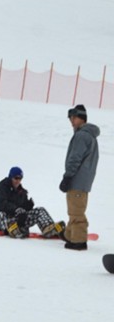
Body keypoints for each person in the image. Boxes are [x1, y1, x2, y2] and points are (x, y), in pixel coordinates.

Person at [59, 104, 100, 251]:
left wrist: (68, 176)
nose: (71, 120)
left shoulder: (82, 135)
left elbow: (75, 158)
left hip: (78, 179)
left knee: (76, 211)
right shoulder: (88, 135)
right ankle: (70, 235)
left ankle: (78, 241)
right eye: (70, 117)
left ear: (81, 118)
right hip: (82, 180)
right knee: (74, 209)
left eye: (73, 117)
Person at [0, 167, 64, 239]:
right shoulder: (0, 189)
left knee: (40, 210)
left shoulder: (22, 192)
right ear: (10, 177)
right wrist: (16, 209)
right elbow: (1, 204)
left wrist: (27, 207)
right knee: (2, 215)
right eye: (16, 178)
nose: (18, 181)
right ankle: (12, 229)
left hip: (15, 220)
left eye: (20, 178)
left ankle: (48, 228)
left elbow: (22, 210)